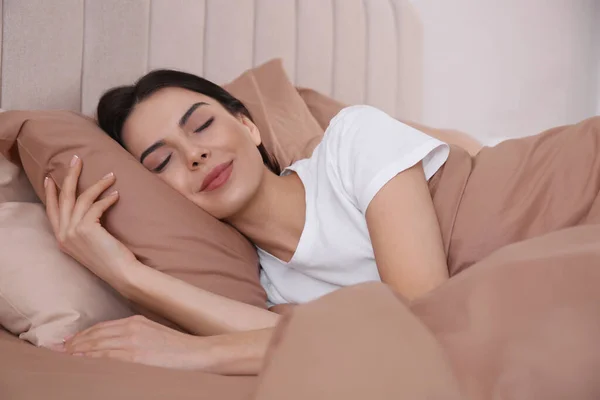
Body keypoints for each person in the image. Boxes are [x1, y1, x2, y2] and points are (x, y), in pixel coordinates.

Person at [45, 70, 458, 374]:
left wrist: (194, 352)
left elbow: (424, 324)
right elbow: (298, 343)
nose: (194, 154)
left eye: (202, 125)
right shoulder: (268, 286)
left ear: (247, 125)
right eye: (161, 161)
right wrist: (126, 275)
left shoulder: (351, 140)